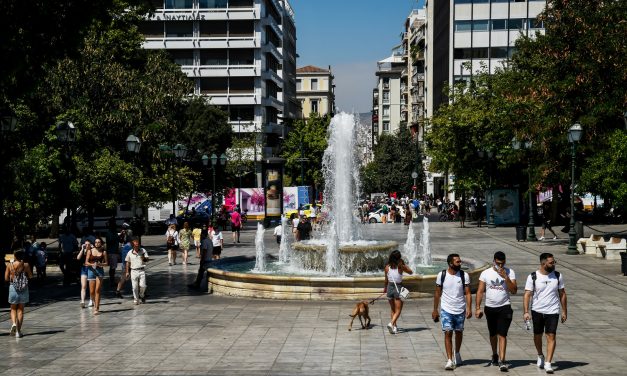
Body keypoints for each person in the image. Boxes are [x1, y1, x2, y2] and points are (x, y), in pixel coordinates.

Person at [523, 253, 567, 374]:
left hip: (553, 311)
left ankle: (548, 363)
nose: (554, 264)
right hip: (537, 310)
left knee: (551, 335)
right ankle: (540, 355)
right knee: (537, 335)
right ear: (543, 264)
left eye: (554, 262)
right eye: (551, 262)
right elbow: (527, 294)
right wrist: (526, 312)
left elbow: (562, 293)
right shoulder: (533, 276)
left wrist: (564, 311)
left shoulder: (557, 276)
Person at [475, 251, 518, 371]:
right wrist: (477, 308)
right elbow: (480, 291)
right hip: (490, 307)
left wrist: (506, 277)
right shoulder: (485, 273)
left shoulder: (510, 272)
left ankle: (502, 361)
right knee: (493, 333)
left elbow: (514, 290)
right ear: (493, 261)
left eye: (502, 263)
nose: (500, 266)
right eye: (498, 263)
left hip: (505, 307)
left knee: (502, 334)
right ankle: (495, 354)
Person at [433, 253, 472, 370]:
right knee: (448, 332)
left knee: (459, 332)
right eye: (458, 262)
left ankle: (457, 353)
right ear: (450, 263)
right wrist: (435, 309)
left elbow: (468, 293)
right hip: (446, 309)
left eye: (460, 261)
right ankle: (450, 360)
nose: (460, 263)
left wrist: (469, 308)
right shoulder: (442, 275)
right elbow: (437, 293)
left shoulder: (464, 275)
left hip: (460, 309)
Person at [384, 250, 413, 334]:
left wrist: (385, 289)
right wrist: (403, 264)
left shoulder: (387, 267)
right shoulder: (400, 267)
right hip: (398, 288)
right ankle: (391, 323)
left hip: (389, 288)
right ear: (399, 258)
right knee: (398, 310)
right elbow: (411, 272)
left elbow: (386, 280)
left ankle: (395, 327)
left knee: (393, 309)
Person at [5, 249, 33, 338]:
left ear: (15, 256)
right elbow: (31, 276)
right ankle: (18, 332)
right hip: (23, 289)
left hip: (13, 288)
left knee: (13, 308)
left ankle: (13, 323)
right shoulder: (26, 265)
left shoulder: (10, 265)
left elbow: (6, 278)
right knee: (20, 310)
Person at [86, 237, 108, 315]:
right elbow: (86, 262)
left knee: (97, 290)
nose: (97, 243)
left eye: (99, 242)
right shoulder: (90, 251)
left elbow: (106, 263)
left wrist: (100, 264)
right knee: (92, 292)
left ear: (101, 243)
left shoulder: (104, 252)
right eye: (96, 242)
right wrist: (92, 264)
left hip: (99, 271)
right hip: (91, 270)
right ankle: (94, 302)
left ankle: (96, 308)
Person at [125, 237, 149, 305]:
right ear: (133, 245)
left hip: (141, 270)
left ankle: (142, 295)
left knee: (143, 285)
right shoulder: (130, 252)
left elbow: (147, 259)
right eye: (135, 245)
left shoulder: (143, 250)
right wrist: (127, 272)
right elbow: (127, 262)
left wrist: (143, 257)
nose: (137, 246)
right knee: (134, 287)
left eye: (138, 244)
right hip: (133, 271)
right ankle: (136, 299)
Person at [105, 222, 121, 290]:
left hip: (114, 251)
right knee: (112, 267)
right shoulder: (110, 233)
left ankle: (112, 280)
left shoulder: (112, 233)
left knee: (113, 267)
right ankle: (112, 281)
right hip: (112, 252)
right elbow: (111, 241)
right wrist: (118, 236)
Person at [77, 240, 92, 309]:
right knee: (83, 286)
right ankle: (82, 301)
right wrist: (82, 249)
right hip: (84, 269)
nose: (87, 246)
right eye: (85, 244)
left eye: (88, 244)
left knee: (91, 286)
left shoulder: (92, 251)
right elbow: (78, 258)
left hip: (91, 269)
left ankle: (91, 300)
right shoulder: (82, 251)